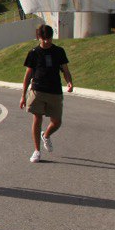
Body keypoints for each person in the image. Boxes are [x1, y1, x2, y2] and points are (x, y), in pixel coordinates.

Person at [20, 24, 74, 163]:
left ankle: (47, 134)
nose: (46, 41)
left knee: (57, 122)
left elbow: (65, 70)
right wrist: (23, 96)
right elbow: (28, 75)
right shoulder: (33, 53)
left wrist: (69, 82)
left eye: (48, 38)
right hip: (37, 90)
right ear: (39, 37)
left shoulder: (59, 51)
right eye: (43, 39)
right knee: (37, 118)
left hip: (55, 91)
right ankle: (37, 151)